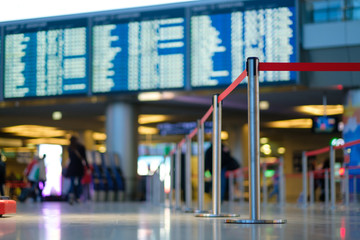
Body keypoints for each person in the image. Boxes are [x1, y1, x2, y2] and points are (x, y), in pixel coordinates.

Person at [66, 136, 89, 204]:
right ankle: (77, 197)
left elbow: (70, 159)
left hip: (72, 168)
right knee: (79, 183)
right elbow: (84, 158)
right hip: (79, 168)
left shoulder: (70, 148)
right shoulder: (81, 147)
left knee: (72, 183)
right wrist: (87, 167)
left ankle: (71, 196)